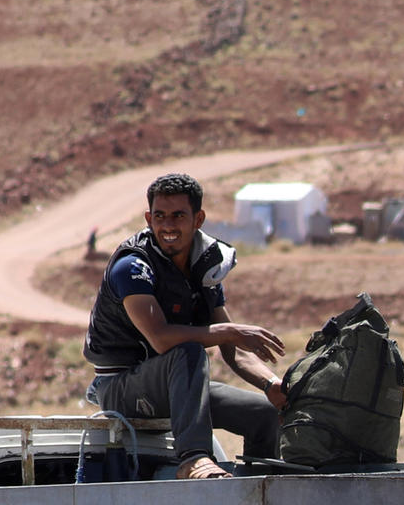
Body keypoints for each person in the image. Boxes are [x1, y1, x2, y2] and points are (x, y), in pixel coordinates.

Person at [84, 173, 288, 478]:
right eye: (160, 216)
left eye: (178, 216)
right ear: (148, 218)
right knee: (188, 350)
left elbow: (234, 351)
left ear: (198, 219)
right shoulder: (132, 265)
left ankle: (258, 488)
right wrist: (231, 331)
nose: (168, 226)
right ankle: (194, 458)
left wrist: (272, 385)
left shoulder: (205, 266)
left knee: (264, 414)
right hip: (121, 387)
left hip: (176, 386)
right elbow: (162, 340)